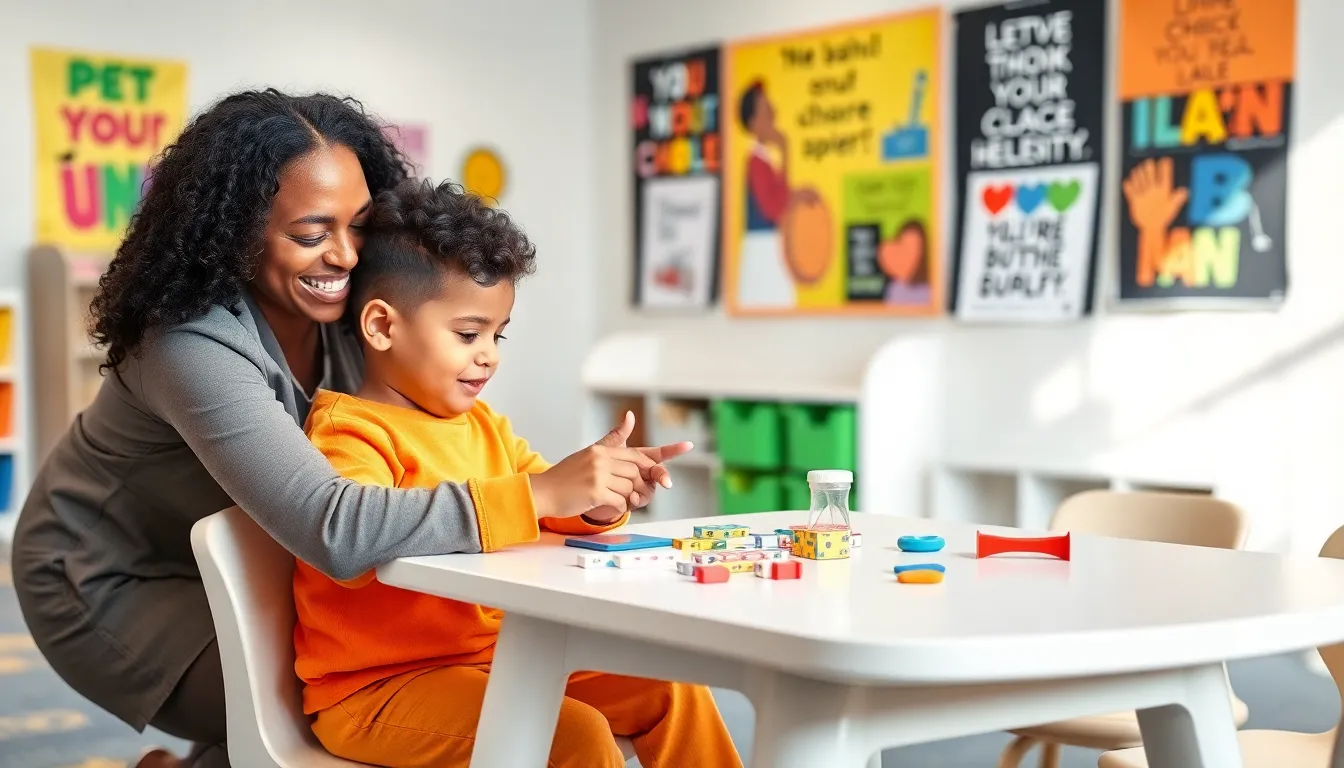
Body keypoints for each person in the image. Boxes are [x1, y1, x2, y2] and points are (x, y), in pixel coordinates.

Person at [12, 89, 677, 768]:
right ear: (237, 232)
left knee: (346, 678)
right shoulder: (189, 344)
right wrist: (535, 495)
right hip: (106, 574)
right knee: (318, 695)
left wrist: (584, 492)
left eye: (359, 225)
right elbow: (332, 525)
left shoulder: (352, 312)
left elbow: (438, 441)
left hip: (254, 545)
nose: (346, 255)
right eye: (311, 233)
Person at [292, 178, 741, 768]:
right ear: (381, 326)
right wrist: (544, 490)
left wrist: (602, 497)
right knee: (571, 734)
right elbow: (355, 552)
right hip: (378, 689)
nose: (490, 355)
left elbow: (548, 504)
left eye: (498, 335)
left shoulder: (485, 428)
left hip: (503, 659)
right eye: (468, 333)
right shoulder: (348, 435)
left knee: (671, 687)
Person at [737, 80, 822, 308]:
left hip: (772, 249)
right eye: (766, 109)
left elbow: (777, 196)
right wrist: (786, 151)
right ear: (754, 122)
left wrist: (798, 195)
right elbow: (774, 208)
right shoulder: (755, 162)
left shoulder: (764, 161)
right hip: (763, 251)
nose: (774, 112)